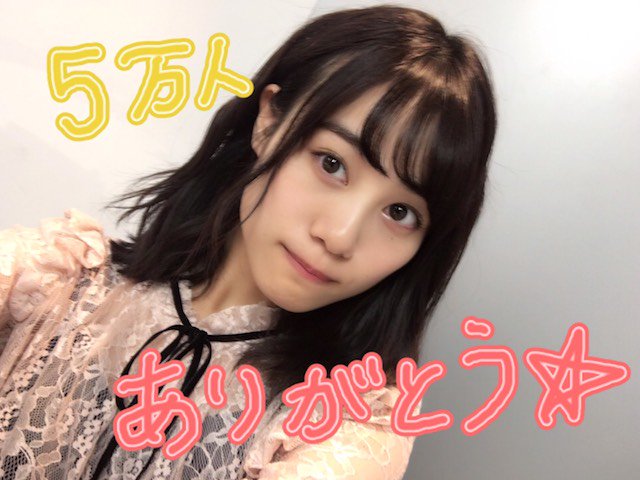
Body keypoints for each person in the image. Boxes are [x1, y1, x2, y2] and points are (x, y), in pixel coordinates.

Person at [0, 4, 497, 479]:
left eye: (400, 213)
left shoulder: (345, 419)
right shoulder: (59, 276)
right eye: (331, 163)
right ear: (268, 122)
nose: (339, 236)